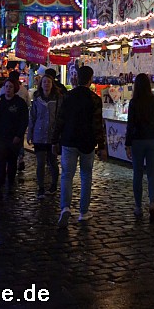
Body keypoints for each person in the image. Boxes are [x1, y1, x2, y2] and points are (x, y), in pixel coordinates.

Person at [52, 65, 106, 226]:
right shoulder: (95, 99)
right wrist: (102, 146)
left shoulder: (68, 96)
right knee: (86, 176)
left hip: (69, 140)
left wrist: (54, 140)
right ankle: (84, 211)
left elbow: (60, 119)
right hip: (87, 142)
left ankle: (65, 207)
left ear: (76, 78)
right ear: (90, 79)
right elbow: (97, 124)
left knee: (67, 175)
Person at [125, 73, 154, 221]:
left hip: (138, 141)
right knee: (152, 174)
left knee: (137, 174)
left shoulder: (134, 103)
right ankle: (153, 204)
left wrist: (127, 144)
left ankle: (138, 207)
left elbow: (130, 124)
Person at [0, 77, 28, 200]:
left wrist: (19, 135)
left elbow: (24, 121)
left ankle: (10, 185)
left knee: (12, 162)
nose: (8, 89)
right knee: (0, 163)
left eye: (10, 87)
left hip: (13, 138)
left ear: (15, 88)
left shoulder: (19, 103)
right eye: (6, 86)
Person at [26, 74, 61, 199]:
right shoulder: (37, 100)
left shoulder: (57, 100)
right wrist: (30, 133)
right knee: (40, 162)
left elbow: (59, 117)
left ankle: (53, 186)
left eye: (49, 82)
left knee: (53, 162)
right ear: (41, 84)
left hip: (52, 135)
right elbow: (32, 117)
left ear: (52, 84)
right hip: (39, 135)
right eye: (44, 82)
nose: (46, 84)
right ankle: (41, 187)